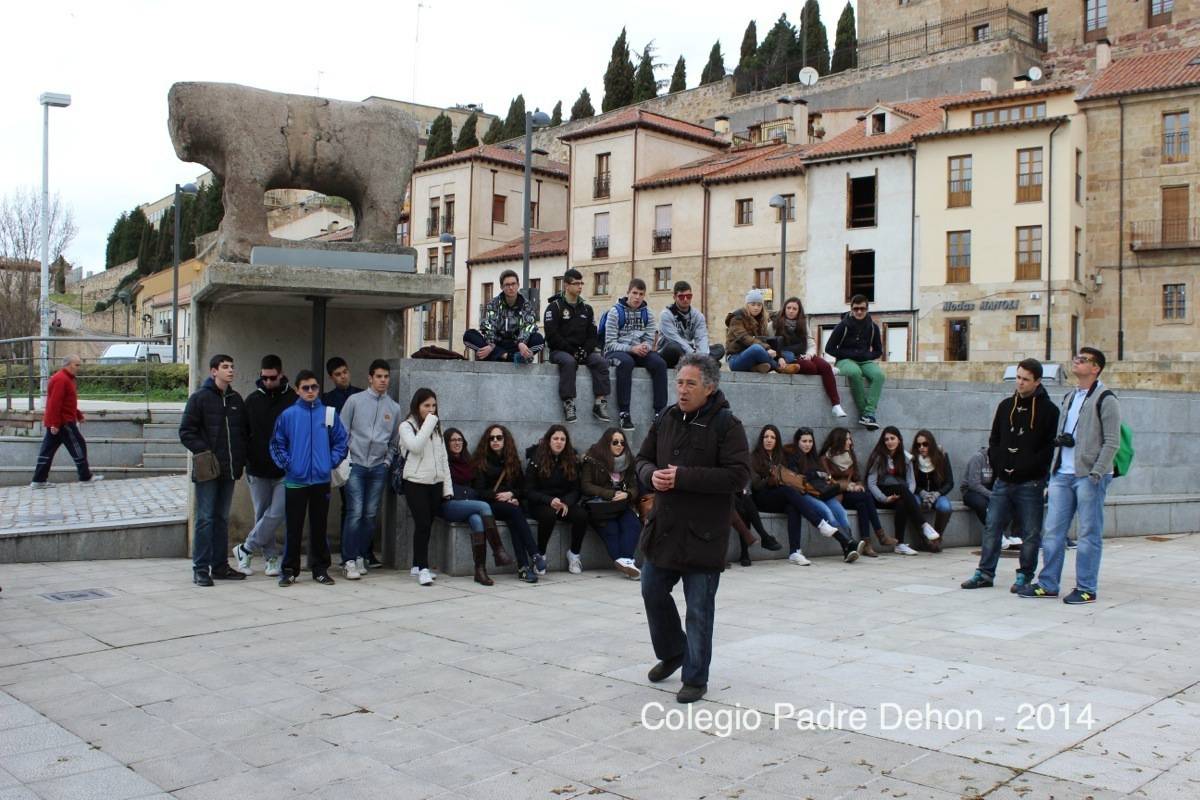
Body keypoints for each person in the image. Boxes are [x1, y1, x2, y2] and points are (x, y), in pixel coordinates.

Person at [636, 353, 750, 704]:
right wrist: (650, 475)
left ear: (709, 388)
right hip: (664, 529)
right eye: (679, 383)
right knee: (651, 589)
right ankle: (673, 651)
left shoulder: (728, 425)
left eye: (690, 384)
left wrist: (683, 477)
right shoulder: (666, 418)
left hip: (704, 534)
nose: (682, 390)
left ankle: (695, 678)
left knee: (699, 610)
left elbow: (738, 476)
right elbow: (642, 459)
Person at [1021, 347, 1121, 605]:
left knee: (1088, 533)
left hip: (1089, 475)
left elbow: (1112, 441)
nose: (1076, 362)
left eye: (1083, 360)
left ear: (1096, 368)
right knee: (1053, 532)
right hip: (1062, 474)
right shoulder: (1069, 396)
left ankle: (1086, 588)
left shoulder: (1106, 398)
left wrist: (1097, 472)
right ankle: (1048, 584)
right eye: (1076, 358)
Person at [962, 358, 1060, 593]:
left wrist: (1030, 468)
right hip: (1003, 480)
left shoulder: (1049, 410)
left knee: (1030, 532)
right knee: (992, 527)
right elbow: (994, 439)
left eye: (1026, 379)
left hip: (1031, 482)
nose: (1020, 383)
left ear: (1037, 381)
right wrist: (1000, 465)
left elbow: (1048, 447)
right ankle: (985, 572)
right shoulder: (1006, 406)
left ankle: (1025, 574)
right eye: (1018, 377)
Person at [270, 369, 347, 587]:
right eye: (306, 388)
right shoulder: (288, 415)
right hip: (296, 480)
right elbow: (277, 443)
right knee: (293, 528)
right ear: (297, 390)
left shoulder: (329, 413)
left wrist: (330, 461)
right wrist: (289, 464)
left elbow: (341, 441)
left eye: (314, 387)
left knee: (319, 527)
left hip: (321, 480)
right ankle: (289, 570)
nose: (310, 391)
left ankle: (320, 569)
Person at [179, 354, 249, 587]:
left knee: (221, 518)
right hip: (208, 470)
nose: (230, 370)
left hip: (229, 469)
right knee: (205, 519)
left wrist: (240, 459)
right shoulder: (199, 398)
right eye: (225, 367)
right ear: (213, 371)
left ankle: (220, 566)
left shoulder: (236, 399)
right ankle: (200, 569)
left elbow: (243, 433)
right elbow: (186, 431)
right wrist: (205, 452)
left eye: (232, 366)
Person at [750, 425, 858, 565]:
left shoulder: (780, 457)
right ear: (761, 439)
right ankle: (821, 524)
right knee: (789, 491)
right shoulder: (754, 457)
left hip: (782, 496)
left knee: (793, 506)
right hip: (763, 498)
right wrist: (770, 480)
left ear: (777, 440)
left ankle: (795, 552)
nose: (769, 440)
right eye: (766, 437)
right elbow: (755, 485)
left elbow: (790, 478)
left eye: (772, 437)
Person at [337, 359, 401, 580]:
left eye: (386, 377)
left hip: (378, 467)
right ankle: (348, 559)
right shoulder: (355, 401)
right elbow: (342, 431)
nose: (383, 380)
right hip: (355, 463)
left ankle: (361, 555)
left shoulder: (394, 407)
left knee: (370, 514)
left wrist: (386, 462)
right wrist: (345, 458)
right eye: (379, 376)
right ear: (370, 378)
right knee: (355, 512)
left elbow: (394, 441)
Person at [233, 354, 290, 577]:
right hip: (257, 468)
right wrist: (246, 459)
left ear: (281, 374)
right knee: (262, 513)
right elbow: (242, 433)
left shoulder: (292, 399)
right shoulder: (252, 400)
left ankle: (246, 548)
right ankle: (270, 557)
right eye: (264, 377)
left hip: (284, 469)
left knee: (276, 512)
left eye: (272, 378)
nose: (267, 381)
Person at [789, 427, 878, 556]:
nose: (807, 444)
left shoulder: (814, 458)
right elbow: (796, 479)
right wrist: (816, 475)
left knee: (841, 513)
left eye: (810, 441)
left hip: (822, 492)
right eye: (804, 441)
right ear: (797, 442)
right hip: (805, 494)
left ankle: (849, 548)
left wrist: (821, 476)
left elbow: (823, 476)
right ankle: (848, 543)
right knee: (827, 512)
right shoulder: (792, 457)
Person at [396, 388, 452, 586]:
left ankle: (416, 564)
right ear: (417, 406)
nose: (431, 409)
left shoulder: (436, 427)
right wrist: (429, 423)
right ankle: (423, 568)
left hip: (435, 483)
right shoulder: (406, 426)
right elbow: (416, 446)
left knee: (427, 525)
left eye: (434, 405)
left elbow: (443, 458)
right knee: (422, 525)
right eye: (426, 405)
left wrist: (447, 488)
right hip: (415, 482)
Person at [442, 427, 513, 583]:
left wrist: (466, 494)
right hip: (449, 505)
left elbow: (476, 488)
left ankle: (480, 571)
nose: (457, 443)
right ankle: (498, 551)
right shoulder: (443, 461)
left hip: (468, 506)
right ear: (446, 443)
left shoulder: (468, 462)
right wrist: (467, 494)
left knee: (477, 521)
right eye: (453, 440)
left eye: (459, 440)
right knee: (484, 506)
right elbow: (448, 489)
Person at [472, 424, 541, 582]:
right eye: (491, 438)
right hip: (489, 505)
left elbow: (523, 488)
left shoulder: (512, 461)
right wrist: (500, 496)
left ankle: (523, 569)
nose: (495, 441)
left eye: (499, 437)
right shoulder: (481, 462)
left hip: (509, 506)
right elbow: (479, 492)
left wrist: (512, 495)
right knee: (514, 511)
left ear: (505, 440)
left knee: (514, 520)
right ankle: (534, 553)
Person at [543, 268, 611, 423]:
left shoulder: (586, 309)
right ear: (566, 286)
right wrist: (571, 351)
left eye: (581, 283)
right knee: (569, 362)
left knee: (600, 362)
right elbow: (552, 336)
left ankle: (600, 402)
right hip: (560, 351)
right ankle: (568, 402)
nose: (580, 286)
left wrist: (585, 351)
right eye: (576, 283)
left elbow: (592, 335)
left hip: (582, 351)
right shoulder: (555, 307)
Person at [603, 278, 668, 431]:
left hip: (639, 350)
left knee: (660, 364)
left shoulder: (648, 314)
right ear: (628, 293)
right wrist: (631, 348)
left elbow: (649, 339)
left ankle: (660, 412)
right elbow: (610, 343)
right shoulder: (615, 312)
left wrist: (644, 347)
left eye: (641, 294)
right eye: (634, 293)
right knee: (626, 363)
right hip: (616, 351)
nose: (637, 297)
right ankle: (624, 413)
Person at [865, 426, 941, 555]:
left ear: (899, 440)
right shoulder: (878, 457)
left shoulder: (905, 457)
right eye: (886, 439)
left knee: (902, 502)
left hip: (898, 494)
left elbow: (912, 481)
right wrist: (884, 498)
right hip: (879, 496)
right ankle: (923, 525)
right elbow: (871, 483)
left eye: (892, 438)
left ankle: (899, 544)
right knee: (902, 488)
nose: (889, 442)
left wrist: (907, 496)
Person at [525, 425, 590, 574]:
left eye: (562, 439)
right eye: (555, 438)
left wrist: (565, 502)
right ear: (548, 440)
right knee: (548, 515)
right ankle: (540, 555)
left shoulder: (571, 460)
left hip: (563, 503)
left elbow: (576, 489)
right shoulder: (536, 459)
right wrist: (549, 500)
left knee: (582, 515)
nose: (559, 442)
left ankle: (574, 554)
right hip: (540, 503)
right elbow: (528, 490)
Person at [31, 355, 102, 488]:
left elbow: (67, 402)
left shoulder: (66, 379)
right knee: (78, 445)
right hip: (63, 422)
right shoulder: (61, 379)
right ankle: (85, 477)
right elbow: (55, 403)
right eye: (76, 365)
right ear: (68, 365)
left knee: (47, 451)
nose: (78, 368)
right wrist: (55, 423)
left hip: (60, 421)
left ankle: (38, 480)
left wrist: (78, 415)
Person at [817, 427, 890, 556]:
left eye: (850, 439)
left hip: (850, 495)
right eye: (847, 439)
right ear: (839, 440)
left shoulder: (850, 456)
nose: (850, 442)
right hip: (836, 495)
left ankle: (867, 543)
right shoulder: (825, 459)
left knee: (863, 503)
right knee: (866, 497)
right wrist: (849, 486)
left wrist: (859, 485)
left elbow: (857, 478)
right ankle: (880, 534)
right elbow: (828, 482)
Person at [581, 428, 642, 579]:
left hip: (621, 505)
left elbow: (634, 487)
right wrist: (610, 494)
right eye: (615, 442)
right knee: (611, 530)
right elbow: (586, 485)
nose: (619, 445)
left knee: (633, 524)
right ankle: (628, 564)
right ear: (607, 443)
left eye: (622, 442)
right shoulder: (592, 460)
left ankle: (626, 562)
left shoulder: (628, 461)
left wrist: (627, 494)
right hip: (600, 507)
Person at [771, 297, 847, 418]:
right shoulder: (773, 325)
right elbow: (770, 345)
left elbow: (811, 344)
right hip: (788, 358)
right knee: (810, 367)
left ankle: (836, 405)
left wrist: (809, 354)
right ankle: (828, 372)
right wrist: (779, 358)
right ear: (784, 309)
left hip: (804, 354)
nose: (791, 311)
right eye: (788, 308)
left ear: (799, 311)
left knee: (824, 365)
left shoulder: (803, 324)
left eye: (794, 309)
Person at [824, 295, 885, 431]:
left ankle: (869, 412)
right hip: (845, 361)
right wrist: (849, 354)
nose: (859, 312)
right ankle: (866, 415)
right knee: (854, 372)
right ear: (851, 309)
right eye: (856, 309)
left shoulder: (873, 327)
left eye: (862, 309)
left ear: (867, 309)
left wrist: (866, 355)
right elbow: (829, 348)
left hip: (865, 361)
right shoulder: (843, 326)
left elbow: (878, 351)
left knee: (879, 376)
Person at [463, 269, 545, 362]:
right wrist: (491, 345)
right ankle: (508, 356)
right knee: (469, 335)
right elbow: (489, 326)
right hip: (497, 344)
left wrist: (522, 342)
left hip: (517, 345)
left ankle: (503, 356)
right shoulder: (493, 303)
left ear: (518, 285)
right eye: (507, 285)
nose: (511, 287)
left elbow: (528, 326)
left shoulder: (526, 304)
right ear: (502, 287)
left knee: (538, 339)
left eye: (513, 284)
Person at [961, 446, 1023, 550]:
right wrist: (993, 495)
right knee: (982, 504)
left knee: (1014, 500)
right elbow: (974, 484)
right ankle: (996, 535)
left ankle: (1015, 535)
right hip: (971, 492)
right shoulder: (978, 458)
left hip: (990, 492)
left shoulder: (1000, 461)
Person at [724, 290, 799, 374]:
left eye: (759, 305)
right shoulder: (737, 318)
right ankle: (780, 368)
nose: (756, 308)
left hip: (754, 358)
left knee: (789, 355)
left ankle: (755, 368)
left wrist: (779, 357)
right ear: (747, 305)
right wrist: (767, 348)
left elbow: (765, 340)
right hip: (736, 359)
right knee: (756, 348)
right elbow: (744, 337)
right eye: (753, 304)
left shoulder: (761, 320)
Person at [657, 281, 724, 367]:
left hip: (690, 351)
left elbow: (701, 338)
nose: (685, 299)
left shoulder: (698, 316)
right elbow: (675, 339)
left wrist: (702, 356)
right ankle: (706, 363)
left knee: (719, 349)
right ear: (674, 297)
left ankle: (699, 362)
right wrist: (693, 353)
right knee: (674, 348)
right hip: (671, 351)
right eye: (681, 297)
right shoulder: (666, 315)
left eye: (688, 296)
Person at [912, 429, 955, 542]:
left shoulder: (942, 457)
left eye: (925, 444)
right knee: (913, 504)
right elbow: (909, 483)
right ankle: (923, 539)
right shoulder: (913, 460)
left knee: (945, 507)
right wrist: (921, 492)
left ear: (931, 444)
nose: (921, 447)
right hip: (918, 494)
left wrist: (937, 494)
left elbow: (950, 482)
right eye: (918, 445)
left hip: (937, 494)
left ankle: (936, 538)